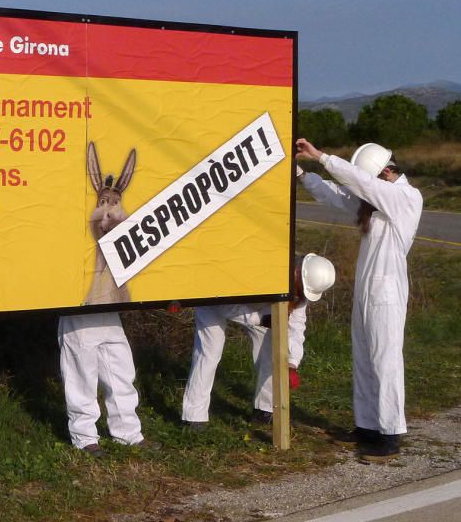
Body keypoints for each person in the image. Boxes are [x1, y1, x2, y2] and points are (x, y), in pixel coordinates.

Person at [296, 139, 423, 461]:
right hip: (369, 291)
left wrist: (321, 157)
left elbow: (360, 182)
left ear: (387, 172)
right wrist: (299, 173)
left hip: (388, 293)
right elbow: (336, 195)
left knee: (385, 360)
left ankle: (391, 432)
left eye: (374, 179)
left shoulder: (405, 197)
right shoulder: (376, 202)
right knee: (364, 357)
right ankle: (367, 425)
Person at [181, 254, 336, 430]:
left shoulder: (300, 290)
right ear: (297, 272)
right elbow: (226, 306)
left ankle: (265, 410)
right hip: (215, 299)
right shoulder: (261, 270)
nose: (300, 294)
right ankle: (194, 416)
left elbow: (296, 327)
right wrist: (262, 320)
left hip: (259, 310)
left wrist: (292, 362)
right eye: (301, 288)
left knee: (272, 349)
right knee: (209, 353)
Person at [58, 313, 145, 457]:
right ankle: (84, 438)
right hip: (78, 308)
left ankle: (129, 432)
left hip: (108, 307)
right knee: (82, 378)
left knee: (121, 373)